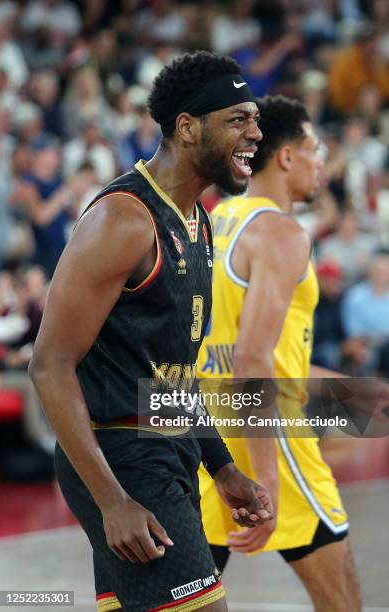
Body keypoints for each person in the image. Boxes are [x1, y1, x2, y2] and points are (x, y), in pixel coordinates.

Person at [29, 51, 273, 612]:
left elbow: (169, 379)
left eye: (255, 119)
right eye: (238, 119)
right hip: (123, 459)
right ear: (187, 127)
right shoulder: (123, 220)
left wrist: (222, 464)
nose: (255, 133)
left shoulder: (194, 219)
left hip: (167, 452)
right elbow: (49, 364)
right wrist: (112, 500)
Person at [198, 96, 362, 612]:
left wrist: (360, 397)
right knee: (342, 601)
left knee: (185, 597)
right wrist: (266, 477)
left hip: (198, 423)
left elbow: (240, 349)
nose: (322, 163)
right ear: (288, 157)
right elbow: (252, 360)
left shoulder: (218, 218)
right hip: (268, 432)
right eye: (316, 149)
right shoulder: (282, 233)